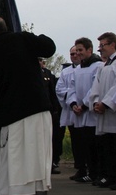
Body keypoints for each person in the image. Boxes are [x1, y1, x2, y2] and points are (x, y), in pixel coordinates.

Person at [0, 17, 56, 195]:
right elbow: (49, 48)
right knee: (38, 152)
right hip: (38, 106)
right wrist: (41, 36)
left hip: (13, 110)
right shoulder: (23, 38)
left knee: (14, 154)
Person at [88, 32, 116, 189]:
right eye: (100, 46)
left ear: (112, 45)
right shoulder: (103, 66)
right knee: (107, 147)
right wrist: (96, 102)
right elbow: (95, 87)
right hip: (103, 113)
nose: (100, 49)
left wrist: (106, 103)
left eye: (103, 45)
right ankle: (110, 176)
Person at [67, 37, 103, 183]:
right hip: (80, 112)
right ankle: (88, 171)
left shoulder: (98, 66)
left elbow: (96, 88)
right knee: (84, 145)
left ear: (90, 50)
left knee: (95, 145)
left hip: (91, 112)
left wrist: (84, 105)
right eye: (76, 50)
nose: (78, 53)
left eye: (81, 50)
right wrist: (73, 103)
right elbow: (71, 88)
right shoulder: (78, 69)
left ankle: (97, 173)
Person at [55, 48, 81, 177]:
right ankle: (79, 166)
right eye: (72, 54)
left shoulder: (92, 68)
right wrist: (72, 100)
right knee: (76, 139)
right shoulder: (66, 72)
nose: (74, 55)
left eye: (77, 53)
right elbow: (59, 89)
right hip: (72, 110)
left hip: (85, 109)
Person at [40, 59, 62, 174]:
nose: (39, 62)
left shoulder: (47, 74)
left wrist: (55, 110)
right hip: (35, 112)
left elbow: (53, 93)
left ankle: (51, 163)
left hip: (48, 110)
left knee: (51, 138)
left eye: (40, 60)